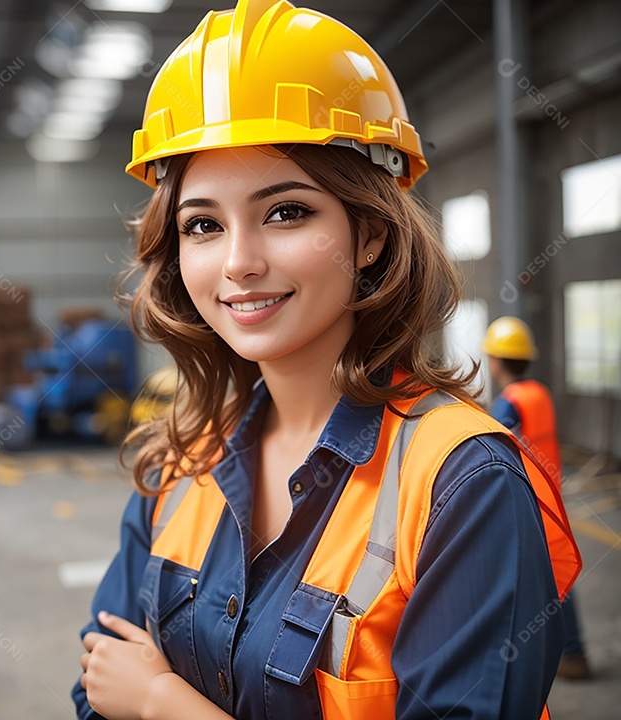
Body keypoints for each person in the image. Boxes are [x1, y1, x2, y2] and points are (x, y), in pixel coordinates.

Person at [73, 1, 581, 718]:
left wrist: (162, 701)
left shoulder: (464, 485)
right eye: (204, 225)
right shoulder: (178, 466)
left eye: (286, 212)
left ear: (370, 234)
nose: (240, 263)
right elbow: (96, 691)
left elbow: (127, 694)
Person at [484, 315, 590, 681]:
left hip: (529, 502)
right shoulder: (540, 394)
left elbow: (489, 447)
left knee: (537, 581)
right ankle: (571, 653)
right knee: (556, 575)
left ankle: (565, 654)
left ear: (495, 361)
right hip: (551, 496)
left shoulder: (509, 403)